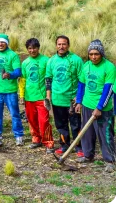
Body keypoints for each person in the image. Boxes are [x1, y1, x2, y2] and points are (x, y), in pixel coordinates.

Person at [75, 40, 115, 172]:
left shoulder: (109, 67)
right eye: (91, 54)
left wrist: (99, 108)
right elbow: (81, 84)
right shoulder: (86, 66)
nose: (93, 57)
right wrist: (79, 101)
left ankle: (110, 160)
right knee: (87, 132)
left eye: (96, 54)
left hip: (103, 109)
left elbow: (108, 89)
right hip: (87, 105)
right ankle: (88, 155)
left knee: (105, 134)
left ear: (101, 54)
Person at [45, 35, 84, 157]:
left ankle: (79, 147)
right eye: (59, 44)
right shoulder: (51, 61)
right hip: (57, 99)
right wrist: (48, 97)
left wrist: (78, 98)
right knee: (60, 125)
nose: (61, 46)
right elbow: (48, 79)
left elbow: (82, 80)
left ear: (68, 45)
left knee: (76, 124)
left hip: (71, 100)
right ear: (56, 45)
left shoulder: (76, 60)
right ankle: (64, 145)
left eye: (64, 44)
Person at [0, 34, 24, 145]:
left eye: (2, 42)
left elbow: (18, 72)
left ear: (7, 43)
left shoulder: (13, 55)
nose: (0, 44)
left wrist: (10, 75)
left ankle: (19, 135)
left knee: (14, 114)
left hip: (10, 91)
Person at [19, 38, 54, 153]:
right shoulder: (25, 63)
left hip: (42, 97)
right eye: (29, 48)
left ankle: (48, 142)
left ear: (38, 48)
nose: (32, 50)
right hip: (29, 97)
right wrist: (22, 95)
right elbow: (22, 80)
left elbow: (49, 78)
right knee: (32, 120)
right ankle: (36, 139)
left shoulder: (46, 60)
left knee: (44, 121)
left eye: (34, 48)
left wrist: (49, 95)